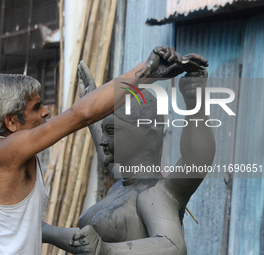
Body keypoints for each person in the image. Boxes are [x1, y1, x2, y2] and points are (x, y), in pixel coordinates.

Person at [0, 46, 202, 255]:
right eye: (36, 107)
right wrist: (147, 70)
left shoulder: (148, 190)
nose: (46, 112)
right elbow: (80, 115)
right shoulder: (3, 154)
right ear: (11, 121)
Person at [42, 48, 214, 255]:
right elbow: (106, 155)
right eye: (105, 131)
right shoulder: (121, 186)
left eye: (112, 131)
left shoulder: (154, 193)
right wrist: (43, 230)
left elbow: (172, 245)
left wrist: (195, 98)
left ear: (149, 136)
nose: (104, 141)